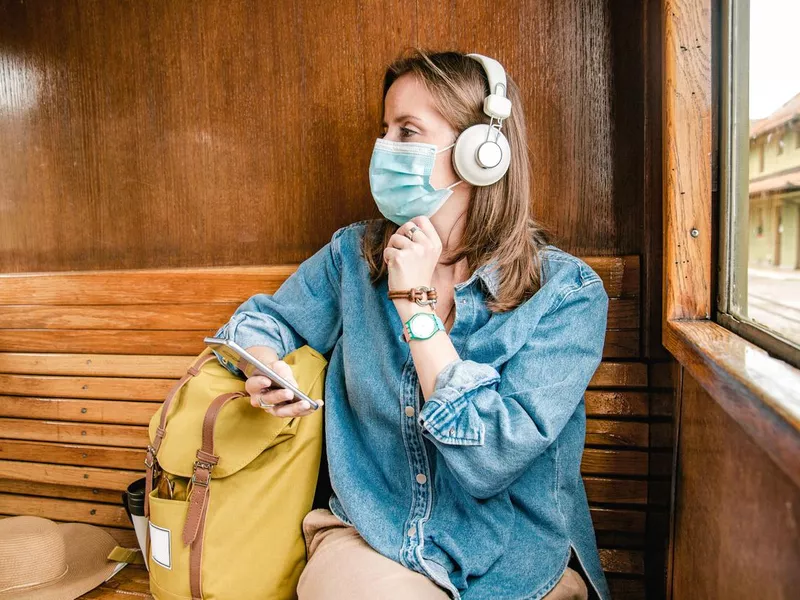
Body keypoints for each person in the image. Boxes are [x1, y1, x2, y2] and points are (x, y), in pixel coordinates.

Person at [213, 49, 611, 600]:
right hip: (374, 540)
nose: (385, 151)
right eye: (385, 131)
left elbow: (490, 460)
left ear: (482, 153)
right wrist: (264, 362)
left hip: (515, 560)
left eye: (408, 131)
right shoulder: (352, 258)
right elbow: (262, 319)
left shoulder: (566, 295)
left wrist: (415, 307)